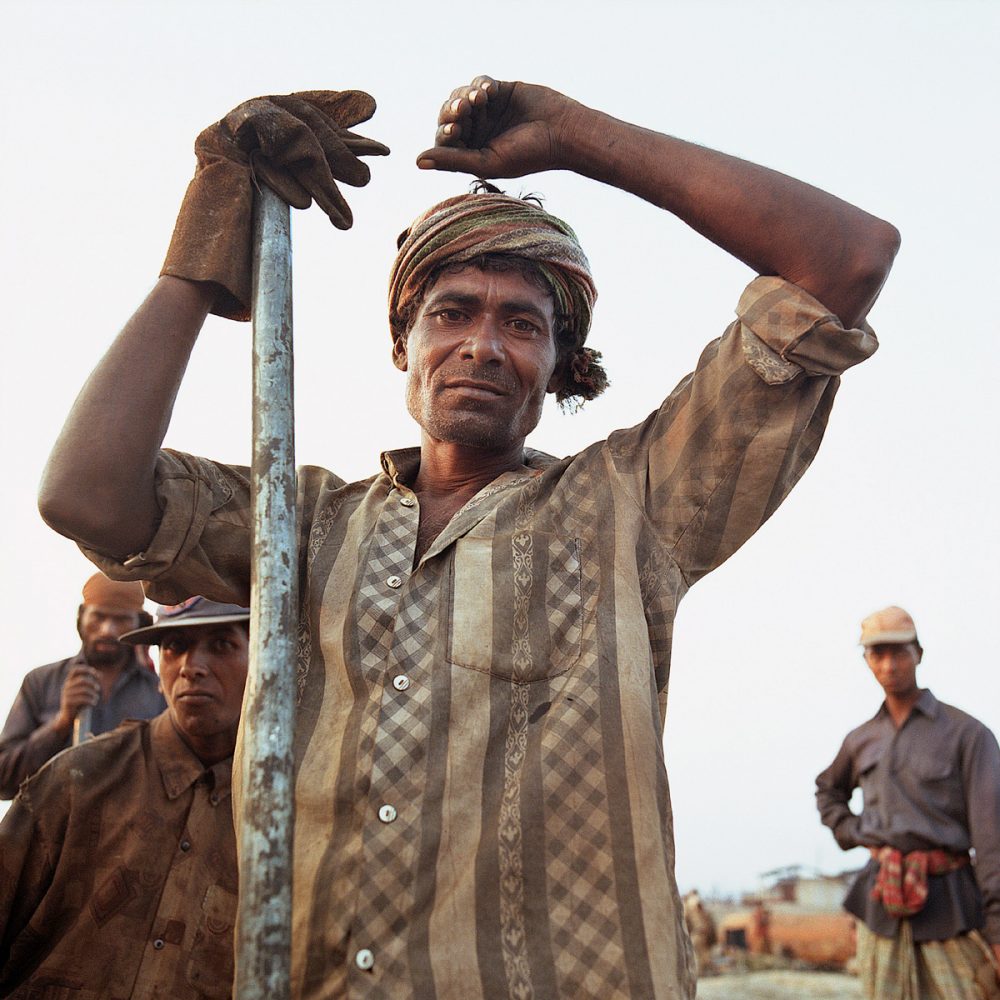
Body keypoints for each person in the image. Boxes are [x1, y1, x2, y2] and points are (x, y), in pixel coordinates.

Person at [37, 76, 899, 999]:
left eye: (521, 324)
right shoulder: (301, 527)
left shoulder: (630, 506)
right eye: (451, 312)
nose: (484, 346)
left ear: (560, 366)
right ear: (402, 344)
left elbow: (845, 258)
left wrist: (575, 135)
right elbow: (87, 491)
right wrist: (203, 247)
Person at [0, 597, 250, 999]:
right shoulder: (77, 778)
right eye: (175, 646)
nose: (191, 666)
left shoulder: (285, 809)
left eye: (222, 645)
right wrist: (61, 723)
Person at [816, 606, 1000, 999]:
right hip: (880, 907)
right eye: (876, 654)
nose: (889, 664)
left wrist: (999, 928)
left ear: (919, 653)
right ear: (866, 660)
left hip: (952, 908)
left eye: (899, 652)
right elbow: (828, 791)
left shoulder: (968, 735)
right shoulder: (860, 739)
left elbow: (992, 841)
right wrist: (856, 832)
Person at [0, 571, 165, 799]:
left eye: (121, 619)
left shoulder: (159, 691)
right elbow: (4, 780)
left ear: (139, 624)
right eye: (99, 617)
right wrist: (61, 722)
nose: (107, 630)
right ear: (81, 618)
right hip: (51, 833)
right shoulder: (40, 682)